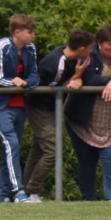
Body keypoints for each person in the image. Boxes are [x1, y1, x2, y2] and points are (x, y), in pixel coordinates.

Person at [66, 24, 111, 201]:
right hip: (83, 123)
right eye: (109, 43)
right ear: (99, 43)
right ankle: (88, 200)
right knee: (86, 163)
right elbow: (90, 78)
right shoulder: (89, 55)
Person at [25, 29, 93, 202]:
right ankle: (32, 190)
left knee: (38, 150)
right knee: (52, 151)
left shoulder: (69, 55)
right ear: (82, 48)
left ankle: (23, 191)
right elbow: (57, 88)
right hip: (40, 109)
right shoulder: (56, 64)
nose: (91, 52)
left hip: (51, 109)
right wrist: (77, 75)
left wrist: (77, 77)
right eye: (90, 48)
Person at [0, 14, 40, 202]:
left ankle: (4, 195)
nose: (33, 36)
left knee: (9, 149)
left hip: (20, 106)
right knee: (12, 144)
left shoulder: (31, 48)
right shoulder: (2, 46)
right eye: (30, 32)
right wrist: (14, 82)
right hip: (1, 106)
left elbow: (35, 76)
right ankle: (18, 191)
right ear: (17, 32)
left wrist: (25, 83)